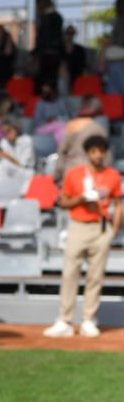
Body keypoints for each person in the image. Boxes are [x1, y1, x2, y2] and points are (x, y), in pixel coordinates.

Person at [43, 136, 122, 338]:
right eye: (94, 151)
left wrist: (114, 229)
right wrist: (81, 198)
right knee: (70, 274)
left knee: (95, 276)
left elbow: (118, 203)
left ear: (105, 152)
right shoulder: (74, 174)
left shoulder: (113, 175)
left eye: (101, 150)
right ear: (88, 152)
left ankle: (88, 319)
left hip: (100, 227)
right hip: (78, 225)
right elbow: (63, 202)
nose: (98, 155)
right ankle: (65, 320)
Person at [54, 96, 108, 185]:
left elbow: (61, 153)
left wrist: (57, 175)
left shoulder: (70, 126)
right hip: (91, 174)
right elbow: (106, 156)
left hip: (70, 172)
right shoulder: (99, 129)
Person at [0, 116, 35, 188]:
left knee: (5, 165)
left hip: (25, 172)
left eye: (8, 131)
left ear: (16, 129)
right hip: (9, 172)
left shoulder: (27, 140)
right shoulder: (3, 142)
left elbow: (23, 164)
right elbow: (2, 162)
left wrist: (8, 157)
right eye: (4, 132)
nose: (6, 135)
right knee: (1, 165)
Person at [34, 0, 64, 92]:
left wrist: (35, 54)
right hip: (52, 56)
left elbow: (43, 40)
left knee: (45, 86)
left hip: (47, 58)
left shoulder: (47, 18)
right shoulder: (56, 17)